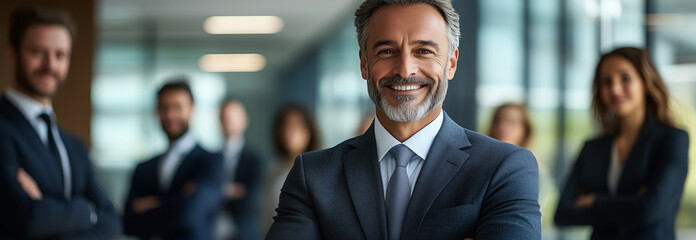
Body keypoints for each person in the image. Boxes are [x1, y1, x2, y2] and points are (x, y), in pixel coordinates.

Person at [266, 0, 541, 239]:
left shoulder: (503, 168)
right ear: (364, 63)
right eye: (386, 51)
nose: (405, 69)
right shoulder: (313, 175)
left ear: (452, 63)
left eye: (424, 51)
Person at [0, 7, 121, 239]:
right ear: (12, 53)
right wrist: (88, 211)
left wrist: (52, 217)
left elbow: (112, 220)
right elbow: (28, 219)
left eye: (60, 55)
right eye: (37, 52)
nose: (50, 65)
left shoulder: (75, 146)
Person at [554, 47, 689, 239]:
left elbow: (650, 209)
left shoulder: (672, 139)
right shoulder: (593, 147)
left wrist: (595, 200)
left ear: (645, 81)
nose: (615, 89)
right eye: (606, 82)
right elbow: (563, 214)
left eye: (625, 78)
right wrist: (632, 201)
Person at [123, 80, 223, 239]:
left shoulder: (211, 162)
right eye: (163, 108)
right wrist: (179, 200)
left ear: (192, 109)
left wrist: (153, 204)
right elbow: (128, 223)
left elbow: (189, 213)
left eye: (177, 107)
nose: (170, 115)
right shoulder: (144, 168)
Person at [263, 104, 321, 235]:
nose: (289, 132)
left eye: (296, 125)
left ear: (309, 130)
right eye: (285, 126)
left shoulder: (320, 169)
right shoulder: (273, 169)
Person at [215, 99, 265, 240]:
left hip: (244, 231)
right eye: (224, 117)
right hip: (212, 230)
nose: (228, 121)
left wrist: (219, 190)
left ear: (244, 120)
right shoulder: (211, 159)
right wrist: (231, 190)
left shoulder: (255, 159)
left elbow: (252, 198)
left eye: (233, 116)